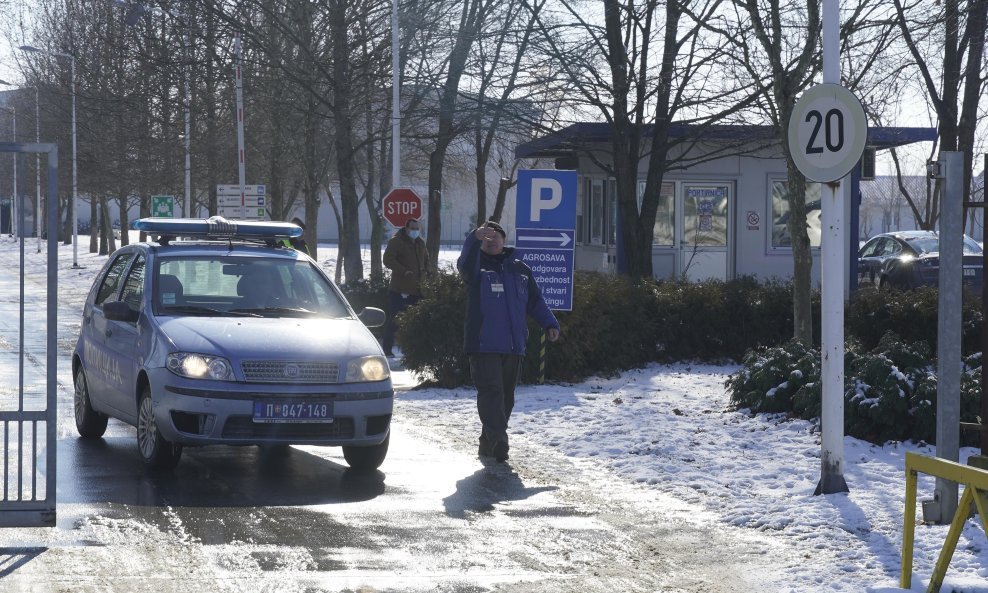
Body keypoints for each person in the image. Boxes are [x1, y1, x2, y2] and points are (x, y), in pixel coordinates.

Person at [457, 219, 560, 462]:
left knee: (506, 397)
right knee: (491, 391)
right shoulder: (476, 267)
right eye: (487, 236)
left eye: (496, 236)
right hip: (483, 343)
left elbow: (535, 301)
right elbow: (464, 264)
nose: (492, 240)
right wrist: (473, 237)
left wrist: (550, 323)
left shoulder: (520, 269)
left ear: (504, 240)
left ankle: (488, 441)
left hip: (513, 345)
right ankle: (500, 440)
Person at [382, 218, 431, 357]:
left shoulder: (420, 243)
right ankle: (387, 350)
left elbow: (426, 259)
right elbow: (388, 260)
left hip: (417, 289)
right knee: (395, 321)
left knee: (416, 323)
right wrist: (403, 271)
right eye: (412, 228)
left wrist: (428, 270)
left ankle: (413, 351)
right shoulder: (396, 241)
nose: (415, 231)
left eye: (417, 228)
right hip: (400, 290)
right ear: (406, 228)